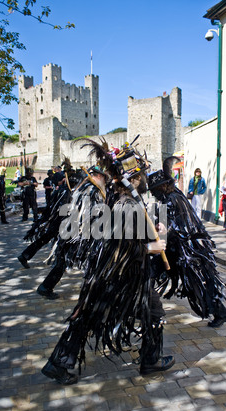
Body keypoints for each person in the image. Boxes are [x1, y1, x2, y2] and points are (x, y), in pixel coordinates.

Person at [41, 138, 175, 385]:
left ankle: (59, 362)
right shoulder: (126, 204)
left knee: (95, 315)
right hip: (121, 277)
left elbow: (130, 233)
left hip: (122, 276)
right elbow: (120, 247)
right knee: (149, 312)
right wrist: (151, 247)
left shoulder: (130, 201)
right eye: (143, 174)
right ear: (134, 178)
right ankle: (150, 361)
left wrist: (153, 228)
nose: (146, 178)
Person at [148, 157, 226, 329]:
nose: (152, 193)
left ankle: (221, 312)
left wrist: (162, 231)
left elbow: (176, 225)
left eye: (154, 190)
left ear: (161, 186)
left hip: (188, 250)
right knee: (151, 272)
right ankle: (144, 304)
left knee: (198, 283)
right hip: (175, 247)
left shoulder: (172, 198)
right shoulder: (171, 196)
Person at [36, 166, 105, 299]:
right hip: (75, 233)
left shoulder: (85, 187)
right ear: (98, 176)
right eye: (103, 177)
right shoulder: (90, 190)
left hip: (73, 231)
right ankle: (45, 287)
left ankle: (46, 287)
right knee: (67, 262)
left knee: (64, 262)